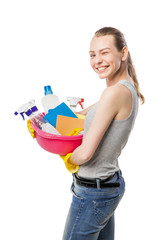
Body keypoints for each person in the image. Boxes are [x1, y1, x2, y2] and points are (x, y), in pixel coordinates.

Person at [62, 27, 145, 240]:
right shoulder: (125, 88)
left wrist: (65, 153)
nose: (97, 60)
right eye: (92, 54)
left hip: (93, 193)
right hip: (107, 186)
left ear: (123, 53)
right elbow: (81, 116)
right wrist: (48, 119)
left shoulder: (114, 92)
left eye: (105, 52)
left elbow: (86, 153)